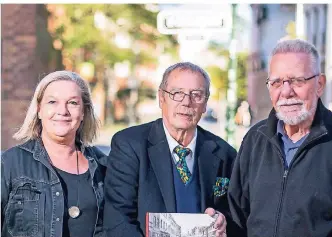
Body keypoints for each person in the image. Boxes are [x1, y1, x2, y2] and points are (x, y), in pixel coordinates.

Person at [228, 39, 332, 237]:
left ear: (319, 84)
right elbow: (236, 218)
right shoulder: (254, 140)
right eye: (276, 82)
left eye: (297, 81)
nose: (286, 91)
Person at [104, 62, 237, 237]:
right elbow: (117, 219)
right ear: (161, 98)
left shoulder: (224, 153)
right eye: (177, 93)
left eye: (196, 95)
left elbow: (236, 214)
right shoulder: (129, 145)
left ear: (205, 104)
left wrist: (223, 221)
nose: (186, 102)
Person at [1, 71, 106, 237]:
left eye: (72, 103)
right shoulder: (9, 164)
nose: (62, 111)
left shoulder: (104, 166)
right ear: (39, 110)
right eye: (52, 102)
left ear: (84, 112)